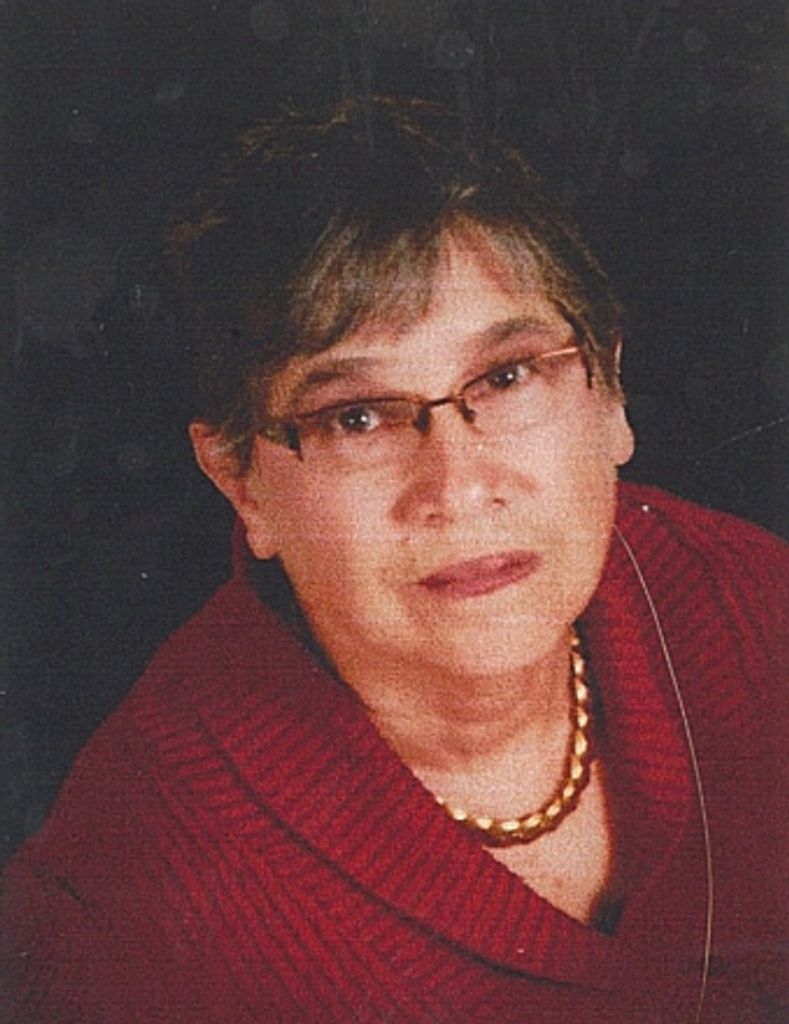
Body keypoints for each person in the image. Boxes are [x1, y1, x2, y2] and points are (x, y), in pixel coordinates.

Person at [3, 96, 787, 1023]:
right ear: (241, 483)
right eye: (357, 417)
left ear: (608, 395)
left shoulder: (749, 603)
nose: (457, 486)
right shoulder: (113, 921)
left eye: (505, 376)